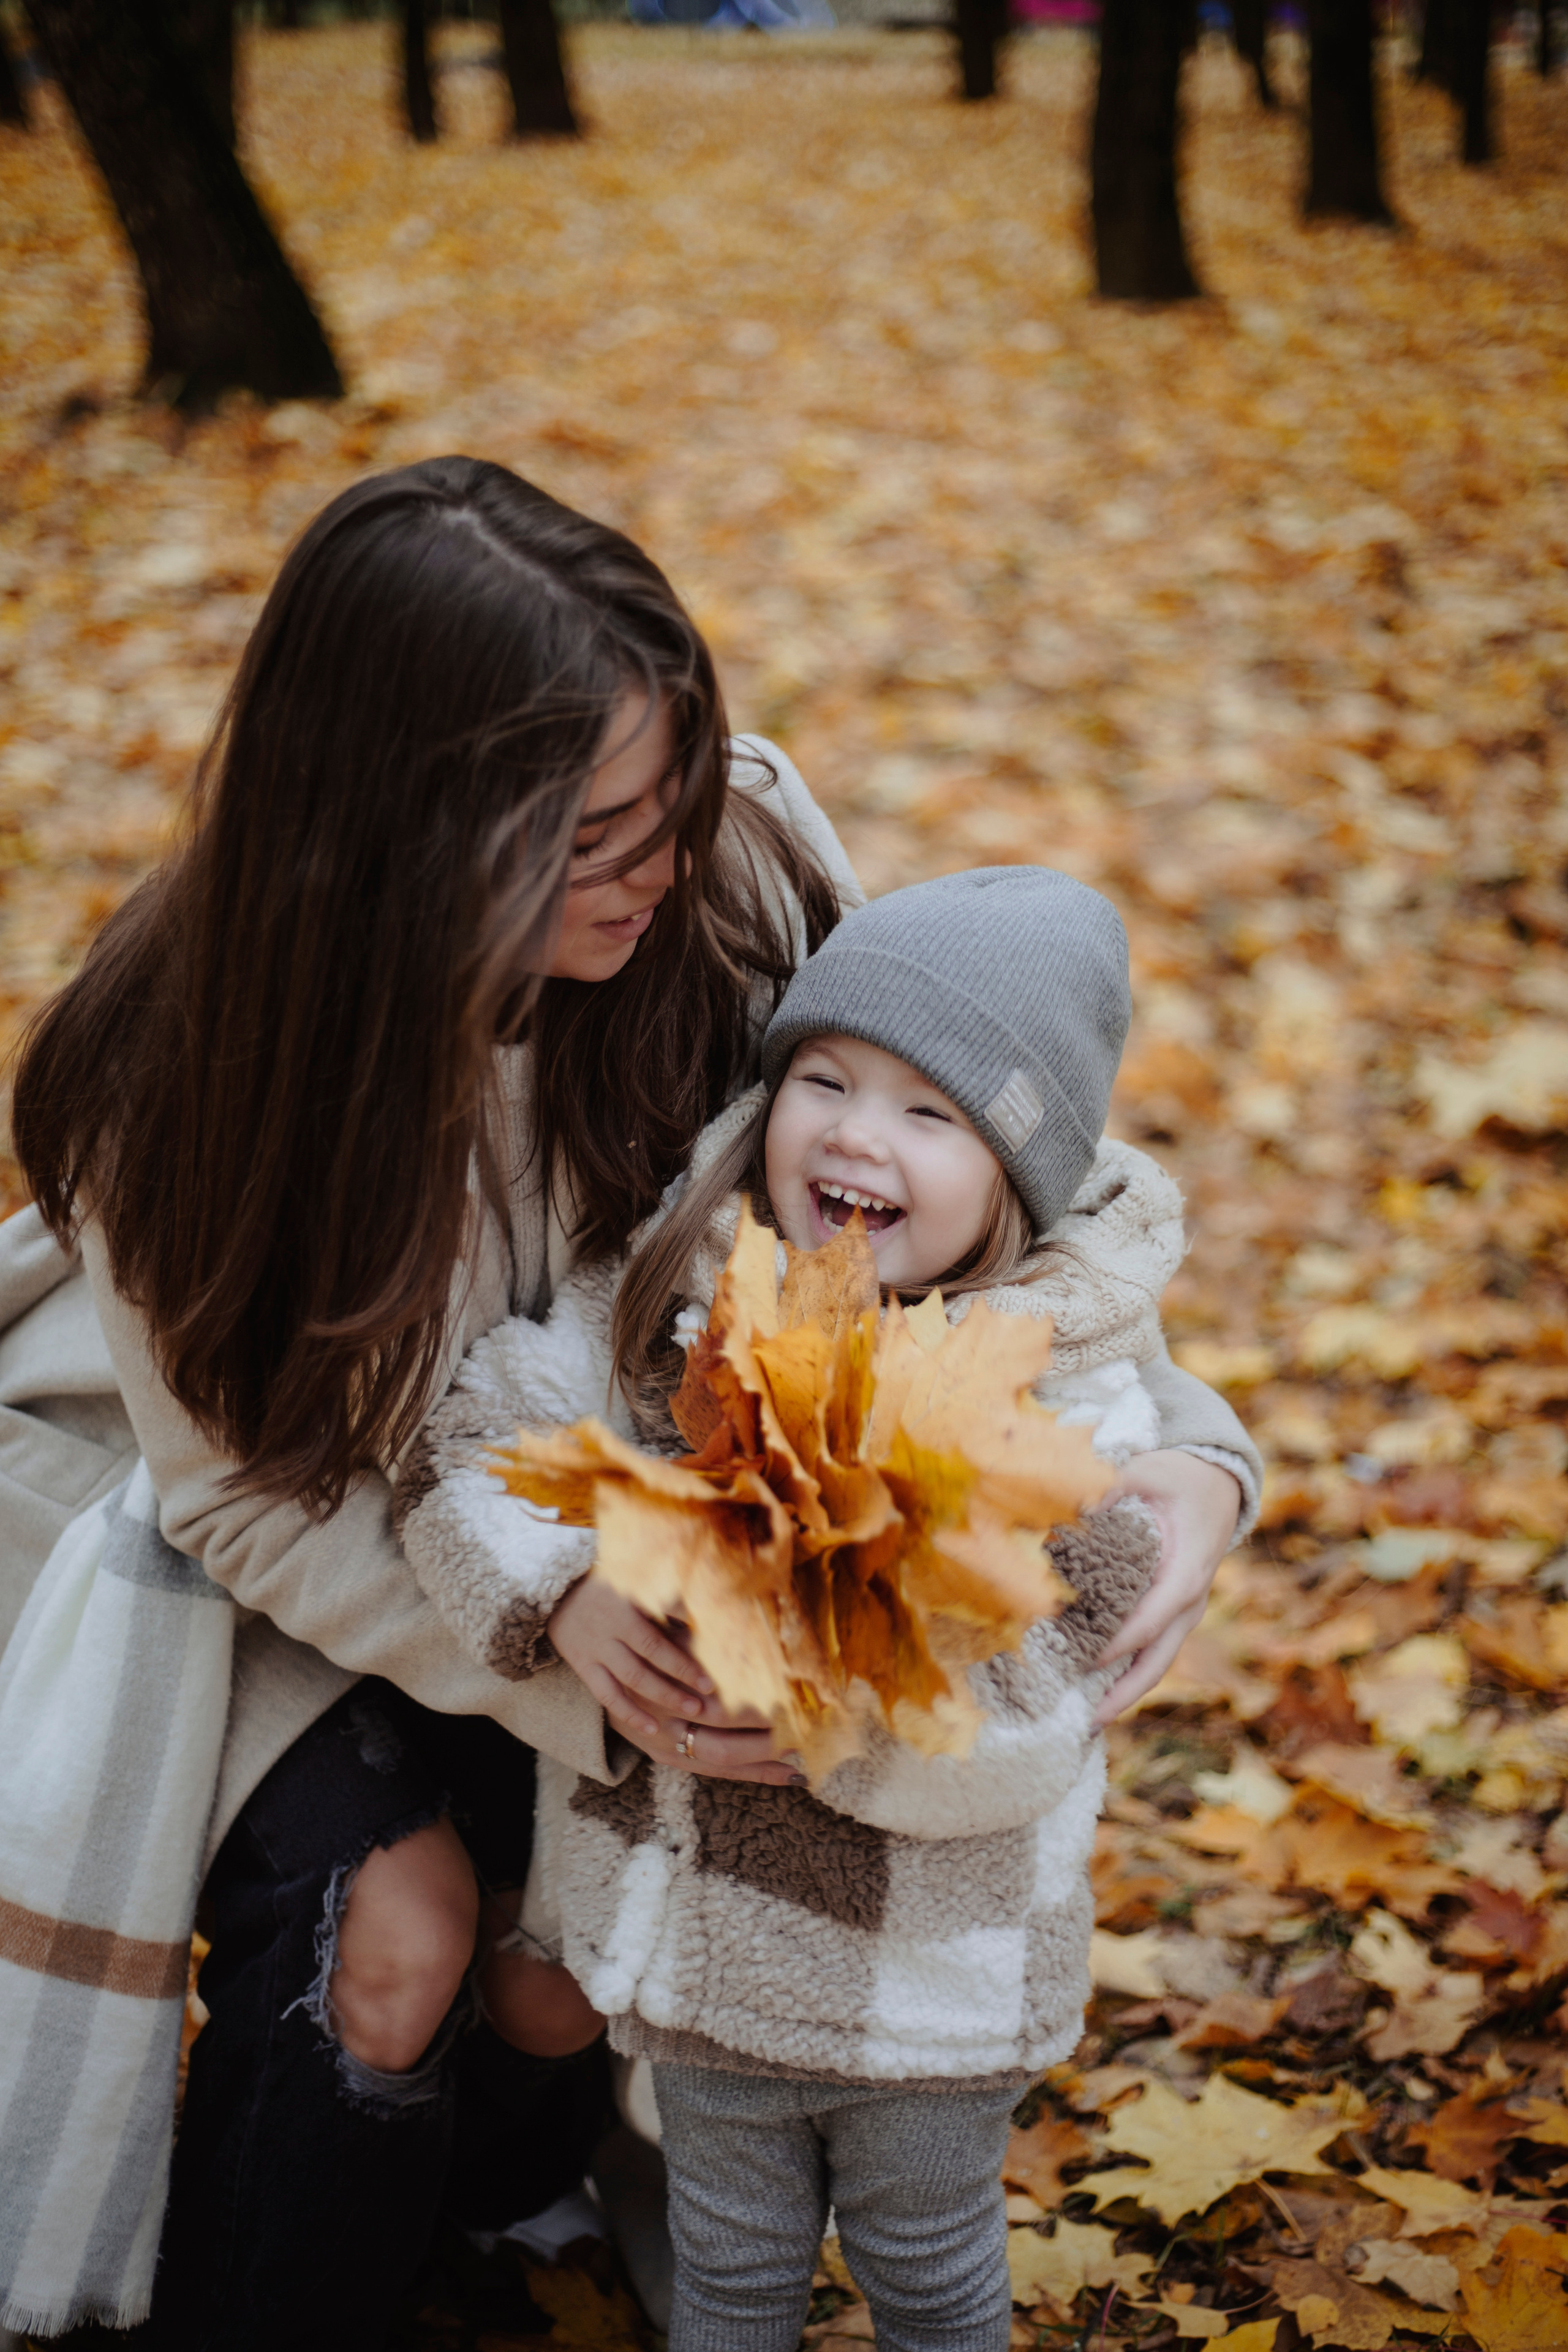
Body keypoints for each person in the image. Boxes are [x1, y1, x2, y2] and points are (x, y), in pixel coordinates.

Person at [0, 459, 1253, 2347]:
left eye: (665, 801)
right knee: (400, 1941)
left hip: (613, 1507)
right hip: (290, 1553)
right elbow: (246, 1502)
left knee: (558, 1973)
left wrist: (1197, 1461)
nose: (652, 872)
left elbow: (970, 1185)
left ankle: (488, 2217)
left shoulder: (729, 868)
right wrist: (559, 1630)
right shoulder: (179, 1072)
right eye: (587, 840)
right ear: (398, 842)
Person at [397, 866, 1263, 2352]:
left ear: (1019, 1173)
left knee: (930, 2276)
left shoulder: (1068, 1408)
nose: (860, 1133)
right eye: (824, 1080)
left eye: (934, 1115)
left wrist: (827, 1719)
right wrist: (557, 1588)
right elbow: (475, 1437)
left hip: (927, 1986)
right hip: (700, 1965)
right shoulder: (675, 1294)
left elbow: (1046, 1712)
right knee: (730, 2278)